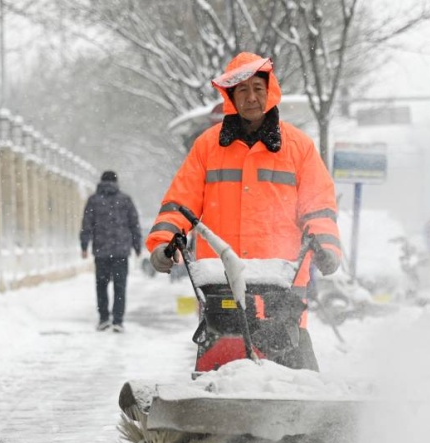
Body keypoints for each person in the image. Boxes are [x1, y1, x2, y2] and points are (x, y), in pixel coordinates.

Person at [145, 52, 341, 370]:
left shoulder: (299, 148)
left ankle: (297, 409)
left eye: (258, 89)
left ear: (270, 90)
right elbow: (180, 203)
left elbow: (317, 206)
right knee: (224, 351)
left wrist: (327, 247)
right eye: (242, 91)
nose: (251, 97)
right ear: (231, 97)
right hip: (221, 276)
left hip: (283, 279)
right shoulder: (207, 147)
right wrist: (162, 242)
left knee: (286, 353)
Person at [80, 170, 142, 332]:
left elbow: (87, 224)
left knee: (101, 285)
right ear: (116, 182)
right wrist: (137, 246)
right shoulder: (125, 200)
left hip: (101, 251)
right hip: (121, 251)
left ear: (101, 182)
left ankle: (103, 319)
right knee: (120, 287)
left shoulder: (93, 200)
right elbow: (134, 224)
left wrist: (84, 246)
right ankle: (118, 321)